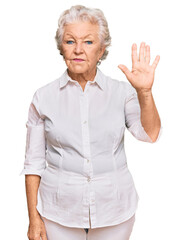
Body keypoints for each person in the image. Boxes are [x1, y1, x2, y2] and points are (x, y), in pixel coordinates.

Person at [20, 5, 162, 240]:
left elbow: (150, 134)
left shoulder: (122, 93)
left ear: (101, 50)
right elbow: (33, 163)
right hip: (59, 213)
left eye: (88, 42)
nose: (78, 50)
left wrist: (144, 92)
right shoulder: (43, 98)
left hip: (114, 211)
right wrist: (34, 219)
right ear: (60, 47)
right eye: (69, 41)